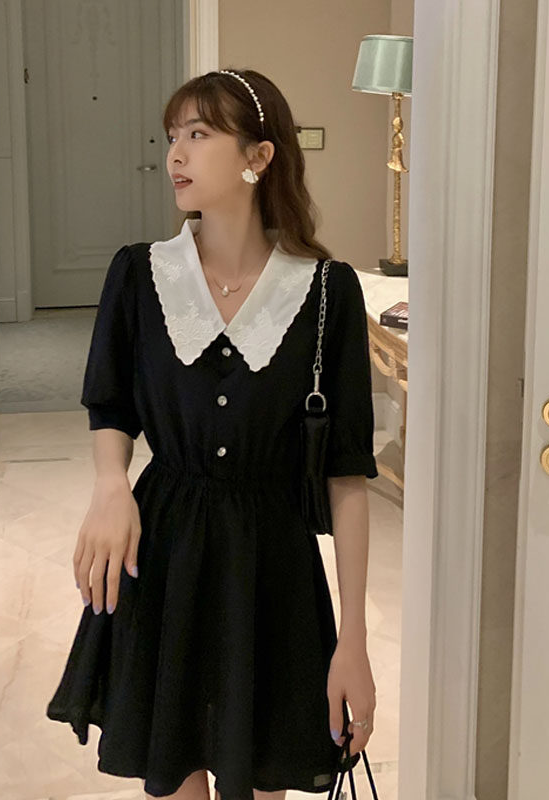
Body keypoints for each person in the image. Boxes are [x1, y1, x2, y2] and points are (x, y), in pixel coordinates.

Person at [46, 68, 379, 800]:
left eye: (198, 134)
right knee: (172, 771)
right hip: (163, 551)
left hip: (273, 566)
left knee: (262, 772)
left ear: (258, 157)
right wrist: (110, 484)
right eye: (172, 136)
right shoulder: (141, 274)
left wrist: (352, 639)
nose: (176, 154)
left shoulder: (327, 292)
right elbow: (111, 404)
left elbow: (347, 473)